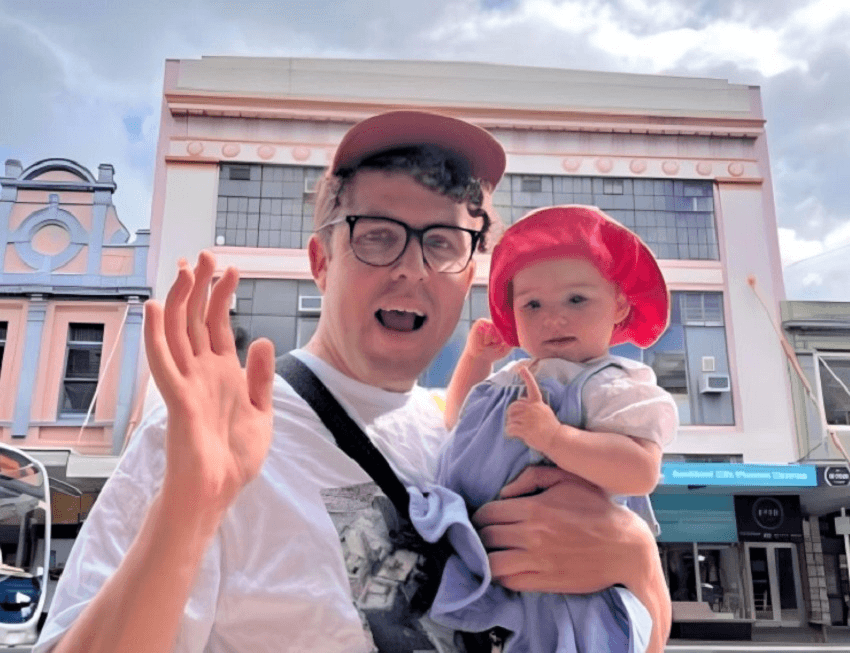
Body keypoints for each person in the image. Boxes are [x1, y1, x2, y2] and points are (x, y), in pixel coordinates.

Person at [35, 111, 671, 653]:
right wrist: (190, 506)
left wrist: (637, 560)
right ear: (321, 261)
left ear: (471, 273)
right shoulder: (211, 436)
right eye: (377, 238)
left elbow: (637, 627)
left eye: (443, 244)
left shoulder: (459, 439)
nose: (411, 270)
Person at [407, 205, 678, 651]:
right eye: (532, 304)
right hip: (485, 557)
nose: (553, 317)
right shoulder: (510, 378)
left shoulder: (613, 385)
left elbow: (639, 471)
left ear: (620, 305)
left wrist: (554, 438)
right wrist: (476, 360)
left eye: (576, 299)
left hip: (573, 580)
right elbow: (460, 422)